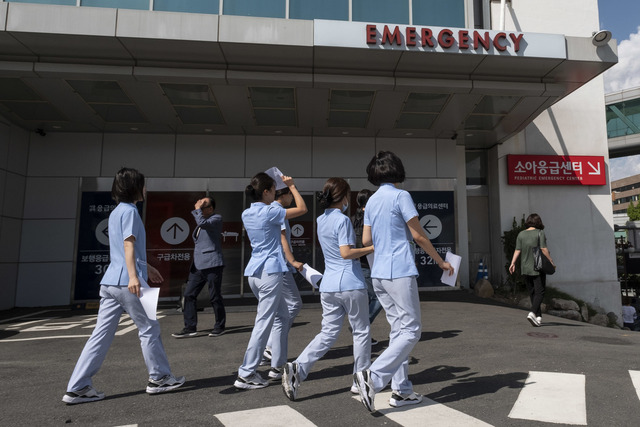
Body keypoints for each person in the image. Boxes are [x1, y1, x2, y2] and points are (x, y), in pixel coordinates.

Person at [62, 167, 185, 405]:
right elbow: (128, 245)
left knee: (100, 336)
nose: (145, 189)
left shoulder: (117, 212)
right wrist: (135, 276)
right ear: (135, 188)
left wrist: (144, 267)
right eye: (143, 184)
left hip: (110, 282)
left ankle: (78, 387)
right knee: (150, 329)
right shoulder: (130, 212)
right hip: (130, 283)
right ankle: (159, 378)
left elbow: (124, 249)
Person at [354, 151, 454, 412]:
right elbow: (419, 236)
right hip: (399, 271)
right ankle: (372, 377)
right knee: (411, 330)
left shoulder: (372, 201)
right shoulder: (401, 196)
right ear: (397, 170)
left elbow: (366, 241)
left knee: (398, 330)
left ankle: (402, 390)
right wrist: (441, 262)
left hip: (378, 274)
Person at [282, 178, 374, 401]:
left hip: (329, 284)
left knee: (328, 333)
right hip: (350, 282)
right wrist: (372, 247)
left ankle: (298, 368)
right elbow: (346, 253)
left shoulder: (320, 219)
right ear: (343, 197)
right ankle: (359, 380)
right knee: (361, 332)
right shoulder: (342, 220)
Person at [234, 172, 307, 389]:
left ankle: (278, 365)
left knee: (282, 316)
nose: (276, 194)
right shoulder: (272, 211)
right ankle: (246, 373)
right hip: (270, 272)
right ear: (266, 192)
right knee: (264, 321)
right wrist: (292, 186)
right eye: (274, 190)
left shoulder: (246, 213)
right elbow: (302, 209)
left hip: (254, 273)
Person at [262, 186, 307, 377]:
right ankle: (271, 346)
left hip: (276, 265)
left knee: (279, 311)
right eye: (290, 194)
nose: (292, 197)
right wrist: (292, 261)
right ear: (283, 195)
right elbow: (282, 240)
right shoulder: (276, 210)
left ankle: (271, 347)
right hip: (279, 266)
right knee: (293, 304)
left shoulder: (272, 210)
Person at [173, 197, 226, 338]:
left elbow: (203, 222)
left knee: (215, 296)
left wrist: (197, 210)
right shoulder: (202, 222)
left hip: (213, 263)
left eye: (203, 206)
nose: (200, 209)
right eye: (199, 206)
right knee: (189, 295)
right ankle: (190, 327)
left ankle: (219, 326)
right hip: (198, 265)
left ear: (210, 209)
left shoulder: (216, 219)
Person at [509, 213, 555, 328]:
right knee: (540, 291)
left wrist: (512, 263)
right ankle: (533, 312)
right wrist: (551, 261)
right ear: (538, 222)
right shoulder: (540, 233)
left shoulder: (521, 234)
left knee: (533, 292)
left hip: (525, 267)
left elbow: (517, 250)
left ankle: (538, 317)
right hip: (538, 266)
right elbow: (544, 249)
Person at [351, 189, 383, 344]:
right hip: (371, 263)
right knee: (379, 297)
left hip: (357, 263)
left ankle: (364, 334)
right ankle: (361, 327)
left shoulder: (352, 219)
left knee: (367, 299)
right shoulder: (371, 218)